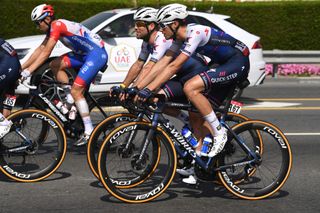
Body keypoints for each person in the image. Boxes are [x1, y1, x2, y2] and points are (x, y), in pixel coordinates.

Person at [138, 3, 250, 184]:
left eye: (163, 26)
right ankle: (199, 159)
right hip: (221, 64)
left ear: (174, 24)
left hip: (238, 61)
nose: (160, 30)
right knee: (195, 111)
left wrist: (147, 89)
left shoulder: (194, 33)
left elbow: (175, 66)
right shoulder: (179, 39)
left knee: (190, 87)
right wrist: (141, 89)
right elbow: (164, 64)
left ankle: (219, 133)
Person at [21, 4, 108, 146]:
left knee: (76, 91)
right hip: (84, 55)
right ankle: (69, 99)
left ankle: (89, 130)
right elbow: (40, 49)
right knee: (55, 65)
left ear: (47, 19)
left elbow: (46, 52)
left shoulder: (57, 25)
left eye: (38, 23)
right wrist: (21, 68)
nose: (38, 27)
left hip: (96, 54)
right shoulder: (52, 28)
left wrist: (28, 72)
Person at [0, 38, 21, 138]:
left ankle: (4, 124)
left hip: (7, 66)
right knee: (8, 97)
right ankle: (4, 121)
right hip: (14, 65)